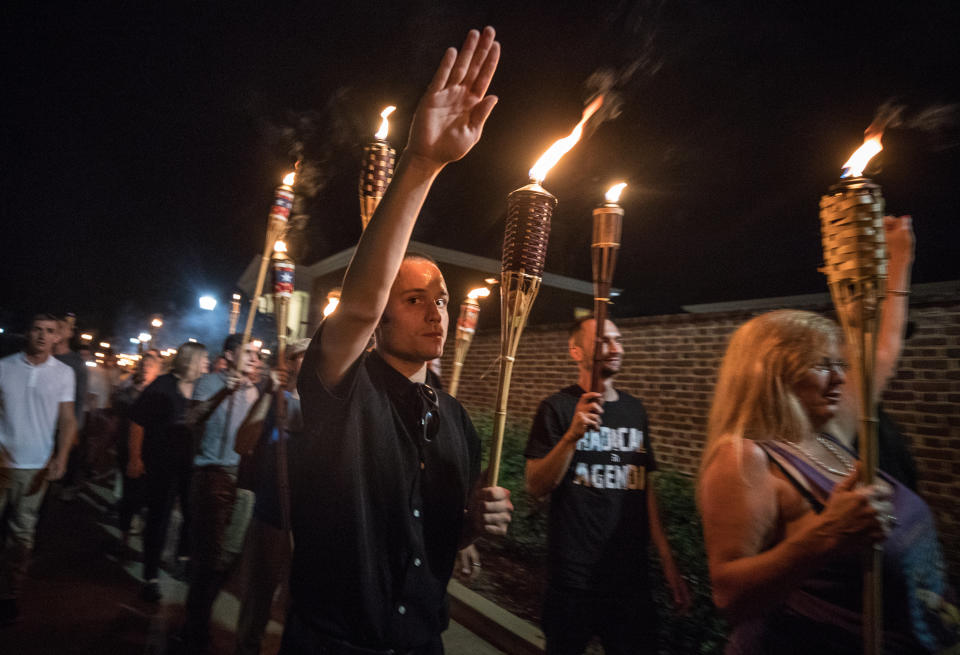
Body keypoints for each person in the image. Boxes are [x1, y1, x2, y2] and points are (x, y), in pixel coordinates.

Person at [285, 27, 512, 655]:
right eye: (414, 300)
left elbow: (433, 539)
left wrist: (473, 527)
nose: (436, 311)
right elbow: (358, 305)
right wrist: (423, 163)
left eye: (441, 298)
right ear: (382, 317)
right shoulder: (343, 387)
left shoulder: (458, 422)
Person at [699, 216, 958, 654]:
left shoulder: (827, 430)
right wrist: (826, 534)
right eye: (823, 365)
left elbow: (882, 348)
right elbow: (729, 595)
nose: (841, 378)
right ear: (773, 374)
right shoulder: (745, 458)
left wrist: (899, 256)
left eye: (840, 363)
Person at [524, 316, 691, 655]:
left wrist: (668, 561)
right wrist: (572, 436)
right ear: (576, 351)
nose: (616, 348)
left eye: (618, 340)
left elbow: (644, 489)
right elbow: (536, 485)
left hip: (630, 580)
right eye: (604, 341)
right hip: (574, 580)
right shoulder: (556, 408)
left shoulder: (635, 410)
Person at [180, 334, 261, 650]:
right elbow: (191, 419)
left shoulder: (254, 390)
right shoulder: (209, 382)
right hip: (213, 475)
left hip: (243, 480)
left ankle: (197, 616)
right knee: (210, 557)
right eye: (248, 352)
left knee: (230, 558)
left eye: (257, 353)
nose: (255, 357)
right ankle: (195, 625)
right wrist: (223, 392)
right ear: (230, 354)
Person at [0, 314, 77, 624]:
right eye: (37, 329)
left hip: (37, 467)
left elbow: (68, 419)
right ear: (27, 333)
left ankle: (8, 594)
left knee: (21, 535)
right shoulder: (4, 367)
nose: (43, 336)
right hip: (1, 463)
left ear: (57, 337)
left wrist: (63, 455)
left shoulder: (64, 373)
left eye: (49, 331)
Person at [234, 338, 309, 655]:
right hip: (271, 514)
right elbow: (242, 443)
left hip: (309, 522)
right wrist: (268, 393)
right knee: (259, 596)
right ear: (290, 362)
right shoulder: (275, 398)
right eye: (303, 356)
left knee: (301, 605)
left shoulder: (329, 404)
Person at [127, 342, 208, 600]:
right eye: (203, 360)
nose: (207, 364)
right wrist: (134, 458)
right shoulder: (161, 386)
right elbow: (137, 422)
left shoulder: (202, 388)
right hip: (161, 463)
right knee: (159, 518)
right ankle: (150, 576)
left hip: (191, 464)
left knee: (192, 514)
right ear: (190, 361)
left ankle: (183, 558)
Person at [113, 351, 162, 553]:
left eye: (151, 366)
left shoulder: (161, 394)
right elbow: (120, 412)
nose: (146, 369)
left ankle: (143, 533)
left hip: (153, 452)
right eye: (144, 365)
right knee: (129, 494)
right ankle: (124, 538)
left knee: (148, 497)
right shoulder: (129, 392)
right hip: (129, 449)